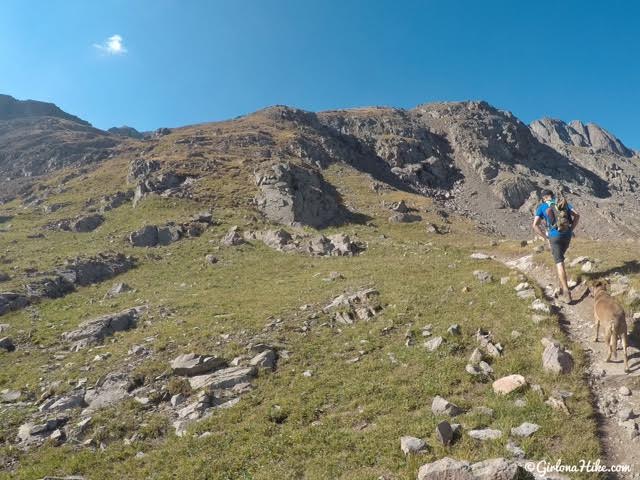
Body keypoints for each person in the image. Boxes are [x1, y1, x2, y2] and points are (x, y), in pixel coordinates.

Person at [532, 189, 580, 303]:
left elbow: (535, 225)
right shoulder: (563, 203)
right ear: (552, 196)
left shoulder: (543, 207)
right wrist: (571, 229)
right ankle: (562, 284)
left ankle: (566, 292)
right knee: (560, 258)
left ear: (544, 198)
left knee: (559, 262)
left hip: (554, 236)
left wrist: (545, 237)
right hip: (567, 235)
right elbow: (577, 216)